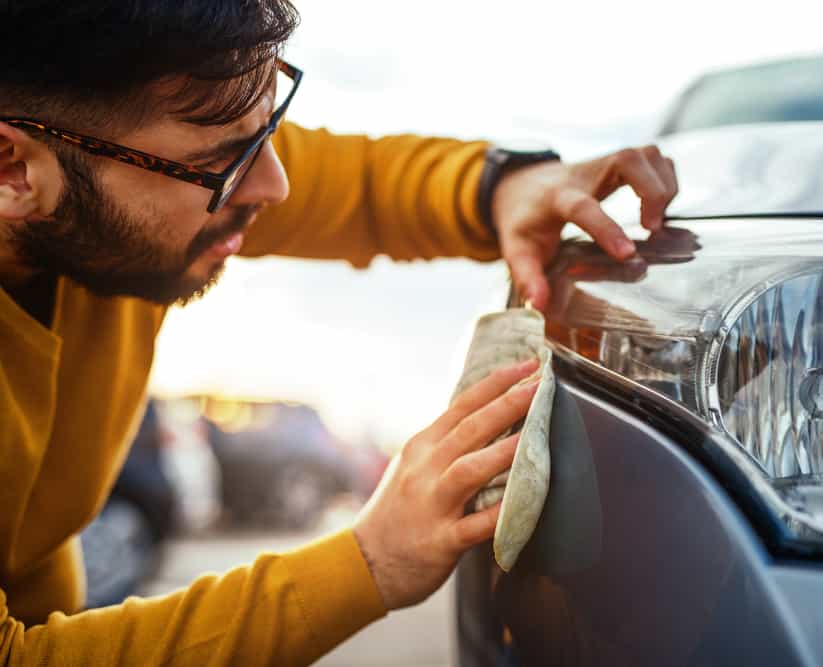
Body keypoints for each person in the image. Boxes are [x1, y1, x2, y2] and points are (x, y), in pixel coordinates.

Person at [0, 1, 678, 664]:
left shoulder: (117, 161)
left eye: (270, 131)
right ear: (13, 171)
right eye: (227, 161)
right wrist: (370, 560)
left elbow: (360, 185)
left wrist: (503, 185)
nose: (277, 185)